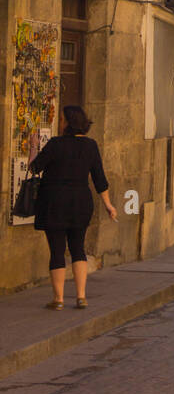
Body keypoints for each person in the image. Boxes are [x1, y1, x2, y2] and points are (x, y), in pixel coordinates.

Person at [30, 105, 117, 310]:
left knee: (57, 250)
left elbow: (35, 168)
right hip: (80, 202)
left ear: (68, 122)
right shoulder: (91, 146)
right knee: (78, 248)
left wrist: (34, 146)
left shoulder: (55, 144)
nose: (60, 123)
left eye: (61, 120)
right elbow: (100, 180)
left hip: (54, 201)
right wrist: (108, 205)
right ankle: (81, 296)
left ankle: (58, 299)